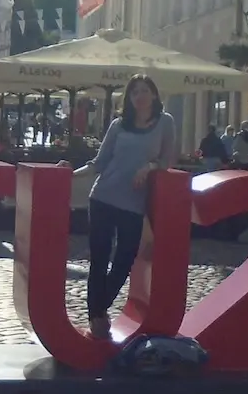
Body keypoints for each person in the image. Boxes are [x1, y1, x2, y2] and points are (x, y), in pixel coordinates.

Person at [73, 74, 178, 337]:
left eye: (144, 91)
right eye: (134, 92)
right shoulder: (118, 125)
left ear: (154, 95)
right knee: (99, 260)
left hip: (133, 203)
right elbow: (99, 163)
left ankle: (99, 308)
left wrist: (150, 166)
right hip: (103, 197)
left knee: (124, 260)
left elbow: (167, 160)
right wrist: (69, 174)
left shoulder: (165, 122)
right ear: (129, 98)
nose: (140, 96)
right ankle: (96, 318)